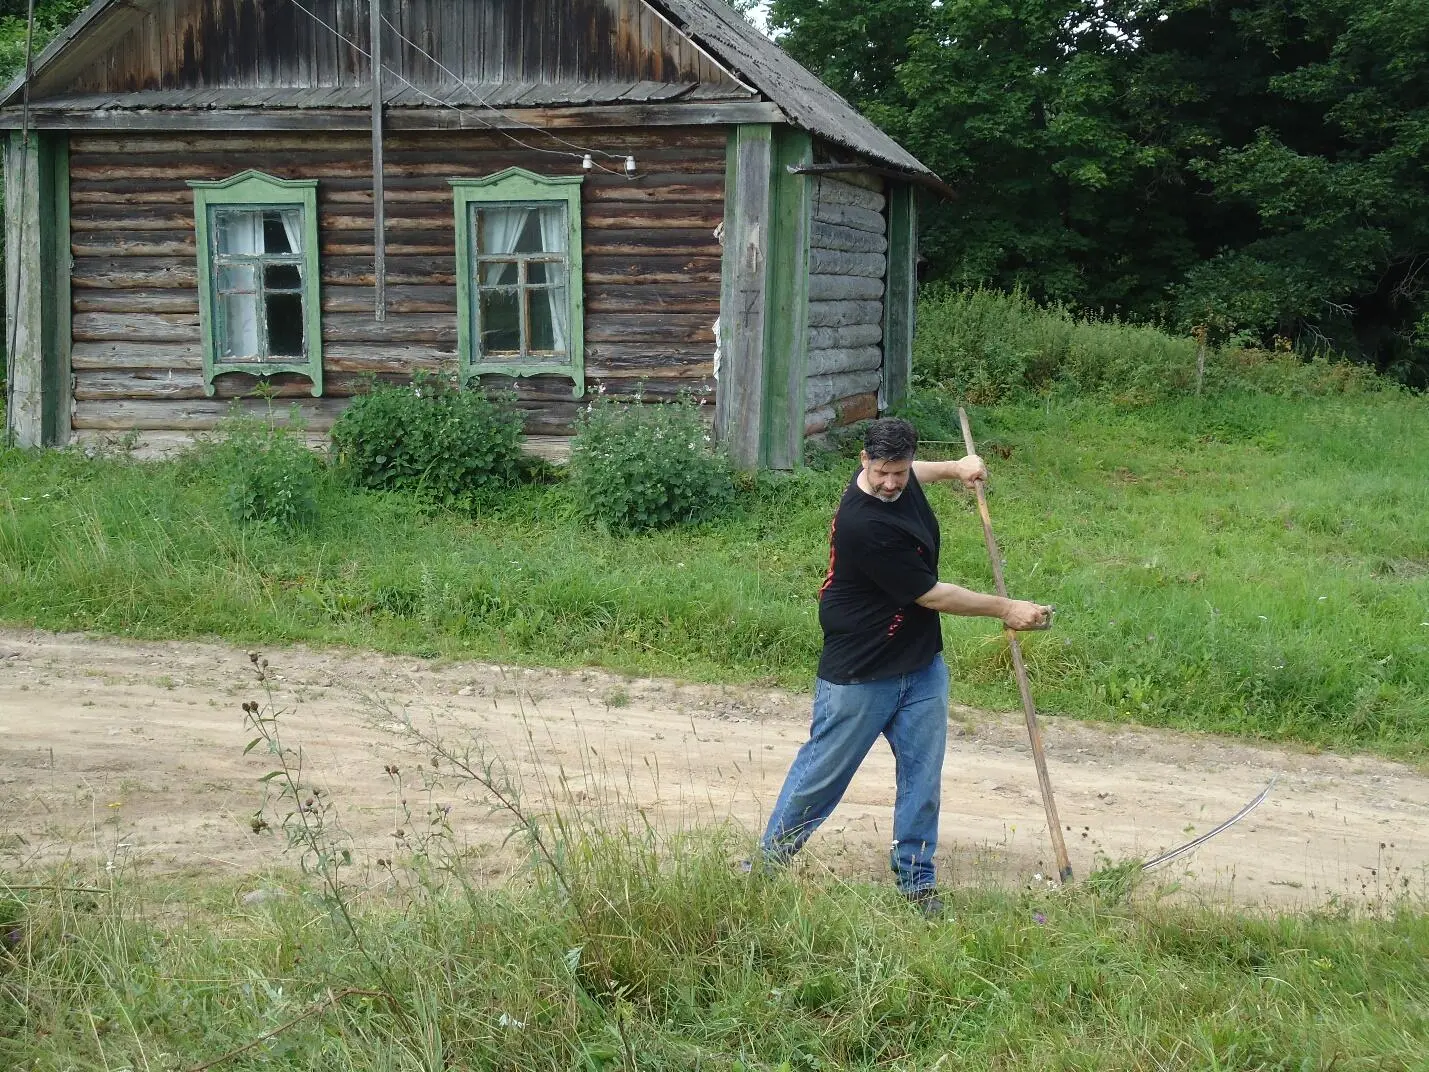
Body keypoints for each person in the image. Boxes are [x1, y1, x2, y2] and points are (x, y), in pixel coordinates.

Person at [757, 417, 1051, 914]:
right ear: (863, 463)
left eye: (900, 471)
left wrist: (959, 468)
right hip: (860, 671)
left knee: (922, 777)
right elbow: (931, 595)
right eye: (882, 473)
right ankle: (768, 863)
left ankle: (916, 884)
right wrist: (1006, 609)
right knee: (822, 775)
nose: (892, 483)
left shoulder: (904, 475)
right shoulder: (862, 523)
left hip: (919, 665)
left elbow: (921, 474)